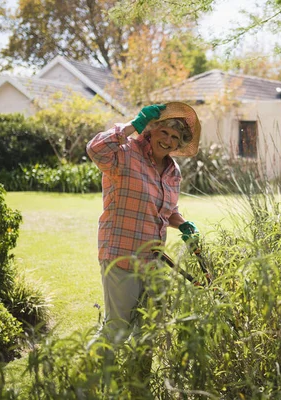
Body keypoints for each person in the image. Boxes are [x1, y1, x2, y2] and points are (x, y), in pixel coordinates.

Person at [86, 102, 201, 370]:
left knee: (148, 327)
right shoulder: (125, 153)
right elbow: (95, 149)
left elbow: (167, 210)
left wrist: (183, 224)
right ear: (151, 130)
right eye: (164, 133)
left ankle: (139, 379)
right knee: (118, 327)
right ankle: (93, 374)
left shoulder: (173, 171)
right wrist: (131, 125)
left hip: (153, 260)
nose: (169, 140)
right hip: (121, 254)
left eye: (175, 137)